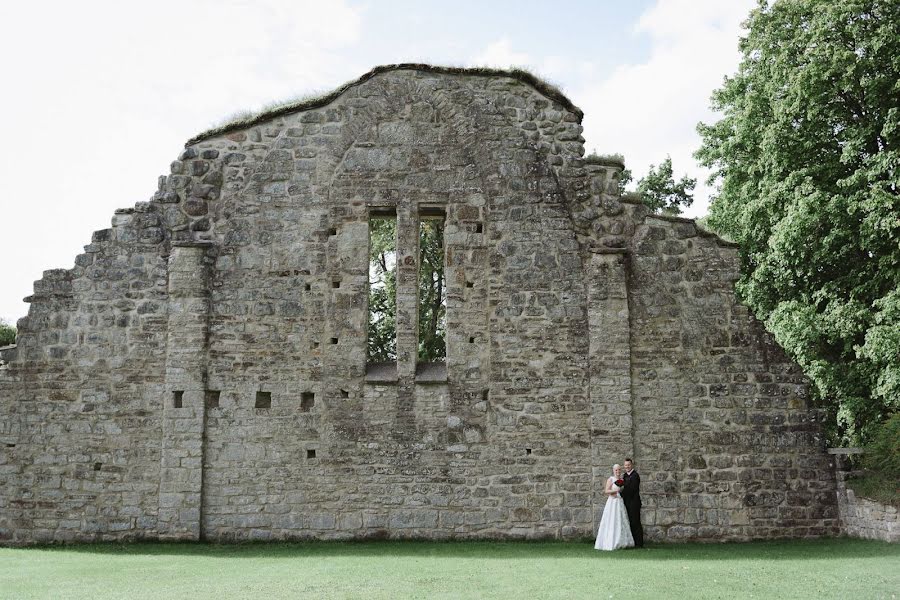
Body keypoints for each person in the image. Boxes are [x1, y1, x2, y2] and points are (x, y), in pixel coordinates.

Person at [594, 464, 634, 551]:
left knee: (620, 520)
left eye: (619, 470)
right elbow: (606, 491)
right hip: (612, 502)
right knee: (612, 520)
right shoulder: (611, 479)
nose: (618, 472)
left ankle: (622, 541)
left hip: (619, 501)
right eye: (616, 470)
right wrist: (615, 490)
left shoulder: (622, 480)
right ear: (613, 470)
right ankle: (611, 541)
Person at [620, 457, 644, 548]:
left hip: (634, 503)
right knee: (629, 522)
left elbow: (632, 489)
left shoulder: (635, 475)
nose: (627, 466)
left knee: (635, 522)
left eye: (628, 465)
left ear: (632, 465)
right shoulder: (625, 475)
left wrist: (621, 492)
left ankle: (639, 543)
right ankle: (632, 541)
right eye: (625, 465)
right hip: (627, 502)